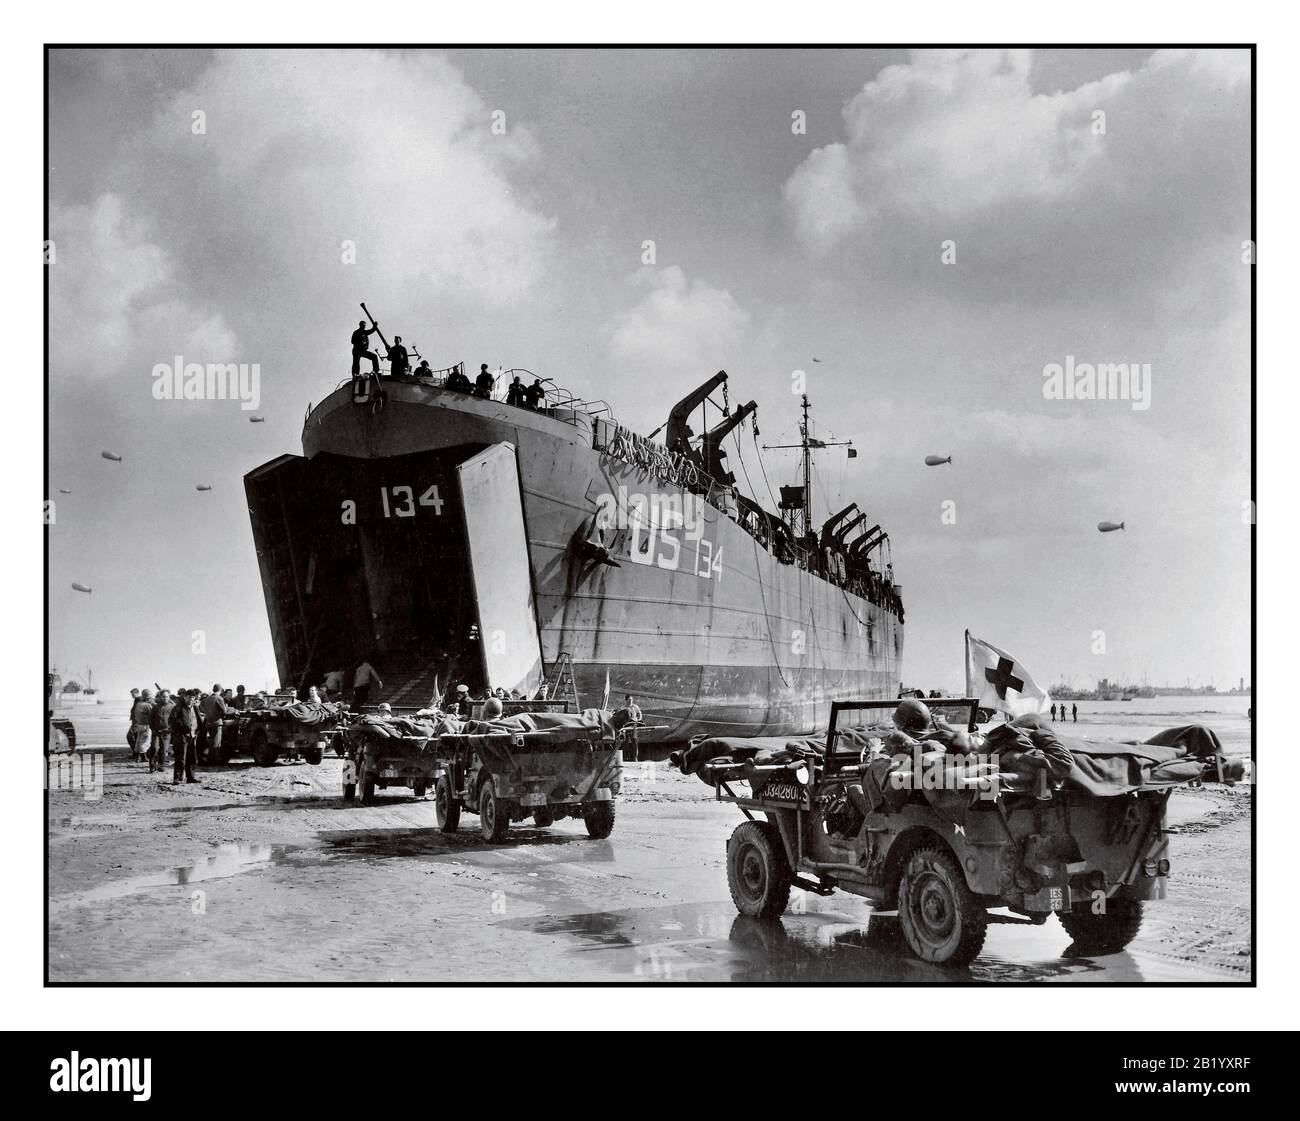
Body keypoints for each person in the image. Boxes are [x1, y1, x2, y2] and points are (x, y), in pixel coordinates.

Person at [170, 691, 200, 784]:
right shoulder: (178, 708)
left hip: (193, 735)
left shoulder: (195, 708)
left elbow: (198, 719)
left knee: (191, 758)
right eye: (190, 697)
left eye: (193, 698)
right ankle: (177, 778)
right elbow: (171, 721)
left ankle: (190, 777)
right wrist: (180, 731)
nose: (191, 699)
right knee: (180, 758)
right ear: (185, 697)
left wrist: (198, 730)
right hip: (181, 736)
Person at [200, 685, 232, 764]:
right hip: (217, 723)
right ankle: (212, 761)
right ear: (220, 690)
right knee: (216, 743)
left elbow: (202, 709)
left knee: (211, 742)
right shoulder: (219, 698)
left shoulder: (207, 699)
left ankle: (210, 760)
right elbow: (224, 710)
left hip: (208, 722)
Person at [149, 690, 174, 773]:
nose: (165, 698)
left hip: (166, 732)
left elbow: (175, 720)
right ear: (160, 697)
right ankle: (152, 766)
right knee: (154, 748)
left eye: (167, 696)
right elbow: (150, 719)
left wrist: (171, 729)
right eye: (163, 696)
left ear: (169, 697)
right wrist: (152, 729)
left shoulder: (172, 707)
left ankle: (161, 765)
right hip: (156, 732)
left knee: (164, 750)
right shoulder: (155, 707)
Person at [130, 689, 154, 764]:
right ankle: (142, 757)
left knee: (138, 741)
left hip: (138, 724)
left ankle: (137, 757)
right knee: (145, 742)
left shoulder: (139, 703)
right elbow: (152, 715)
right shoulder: (147, 705)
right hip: (146, 725)